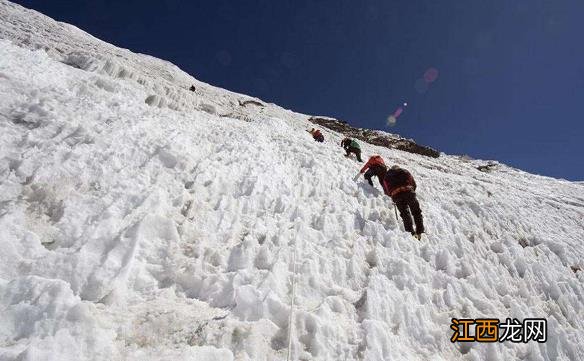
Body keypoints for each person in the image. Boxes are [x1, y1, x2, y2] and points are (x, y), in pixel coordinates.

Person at [382, 165, 424, 239]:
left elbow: (386, 190)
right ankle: (419, 231)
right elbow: (413, 183)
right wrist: (412, 190)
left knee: (405, 214)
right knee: (416, 212)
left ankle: (411, 234)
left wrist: (392, 195)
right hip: (409, 192)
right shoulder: (405, 171)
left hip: (396, 195)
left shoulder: (387, 176)